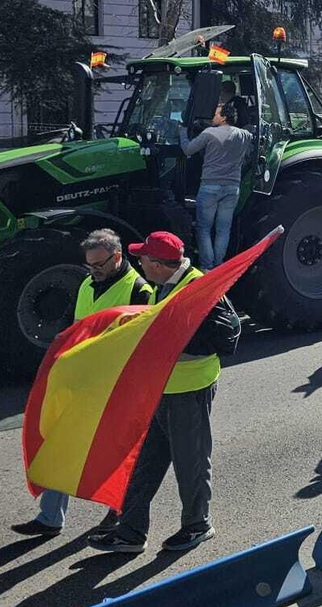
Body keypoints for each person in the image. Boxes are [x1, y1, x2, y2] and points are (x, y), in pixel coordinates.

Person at [90, 231, 240, 554]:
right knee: (143, 463)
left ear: (157, 264)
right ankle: (130, 532)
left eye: (144, 258)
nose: (139, 261)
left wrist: (165, 347)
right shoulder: (164, 284)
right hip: (161, 391)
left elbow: (224, 339)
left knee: (191, 462)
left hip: (189, 390)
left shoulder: (197, 289)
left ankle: (198, 525)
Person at [13, 229, 152, 538]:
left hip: (116, 388)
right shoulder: (88, 284)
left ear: (117, 257)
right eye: (90, 265)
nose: (93, 271)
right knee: (60, 443)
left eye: (99, 264)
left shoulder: (139, 290)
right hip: (83, 382)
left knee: (117, 451)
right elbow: (74, 327)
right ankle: (50, 518)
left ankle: (117, 515)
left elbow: (140, 344)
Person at [180, 99, 253, 272]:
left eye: (215, 114)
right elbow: (251, 148)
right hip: (232, 188)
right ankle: (219, 265)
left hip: (210, 187)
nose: (212, 117)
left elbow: (188, 149)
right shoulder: (244, 135)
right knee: (223, 229)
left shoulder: (209, 133)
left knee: (204, 228)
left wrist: (182, 132)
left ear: (224, 117)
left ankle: (207, 267)